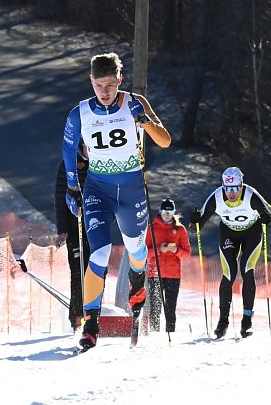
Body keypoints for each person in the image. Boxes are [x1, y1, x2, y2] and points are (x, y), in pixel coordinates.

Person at [61, 52, 171, 351]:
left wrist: (143, 120)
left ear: (119, 80)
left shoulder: (134, 102)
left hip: (132, 189)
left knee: (136, 253)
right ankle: (91, 324)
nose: (105, 92)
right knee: (99, 253)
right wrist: (73, 188)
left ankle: (138, 286)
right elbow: (68, 149)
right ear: (91, 82)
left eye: (110, 85)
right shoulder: (79, 113)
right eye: (98, 85)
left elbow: (165, 140)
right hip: (98, 189)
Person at [190, 167, 271, 338]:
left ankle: (246, 321)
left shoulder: (251, 196)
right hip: (228, 233)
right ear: (223, 186)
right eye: (228, 188)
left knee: (247, 270)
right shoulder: (216, 197)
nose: (232, 193)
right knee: (228, 273)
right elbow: (196, 225)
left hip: (252, 233)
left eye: (235, 188)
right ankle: (223, 321)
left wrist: (269, 220)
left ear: (242, 185)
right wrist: (195, 220)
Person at [54, 140, 91, 331]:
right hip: (74, 223)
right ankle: (77, 316)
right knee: (78, 271)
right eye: (87, 146)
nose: (90, 150)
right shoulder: (69, 163)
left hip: (95, 224)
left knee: (96, 270)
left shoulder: (102, 161)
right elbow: (59, 196)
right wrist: (63, 229)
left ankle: (94, 315)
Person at [145, 197, 191, 332]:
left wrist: (176, 250)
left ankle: (170, 332)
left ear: (174, 213)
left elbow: (187, 253)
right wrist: (159, 249)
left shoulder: (180, 229)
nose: (167, 215)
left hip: (173, 274)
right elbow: (144, 253)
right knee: (155, 307)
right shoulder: (151, 229)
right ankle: (154, 333)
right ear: (160, 211)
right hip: (155, 273)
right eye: (165, 211)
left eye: (170, 212)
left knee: (170, 307)